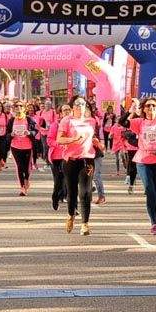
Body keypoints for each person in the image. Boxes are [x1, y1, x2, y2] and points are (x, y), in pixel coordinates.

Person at [121, 97, 156, 234]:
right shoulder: (139, 122)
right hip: (144, 160)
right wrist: (131, 111)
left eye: (153, 106)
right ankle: (154, 222)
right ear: (144, 109)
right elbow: (122, 122)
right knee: (149, 190)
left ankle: (151, 206)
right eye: (148, 106)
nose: (151, 108)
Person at [57, 95, 98, 235]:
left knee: (86, 192)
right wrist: (73, 139)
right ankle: (70, 215)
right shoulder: (66, 121)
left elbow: (94, 139)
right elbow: (59, 139)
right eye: (77, 104)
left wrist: (99, 144)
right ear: (72, 107)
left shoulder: (91, 121)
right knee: (72, 192)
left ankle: (85, 224)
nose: (80, 106)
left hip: (87, 159)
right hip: (71, 160)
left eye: (83, 104)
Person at [7, 103, 37, 196]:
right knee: (19, 167)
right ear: (14, 109)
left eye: (21, 107)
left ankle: (27, 179)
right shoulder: (12, 120)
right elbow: (7, 133)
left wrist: (29, 132)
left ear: (24, 109)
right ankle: (22, 187)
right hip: (15, 146)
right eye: (16, 107)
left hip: (27, 146)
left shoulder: (29, 119)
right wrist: (10, 135)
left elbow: (35, 131)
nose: (18, 109)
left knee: (27, 168)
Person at [47, 103, 71, 210]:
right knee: (58, 181)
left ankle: (72, 205)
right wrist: (60, 144)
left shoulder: (74, 124)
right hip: (57, 156)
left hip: (70, 156)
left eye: (68, 109)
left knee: (70, 180)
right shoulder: (55, 125)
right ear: (60, 113)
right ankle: (55, 197)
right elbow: (49, 140)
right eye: (64, 110)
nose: (67, 112)